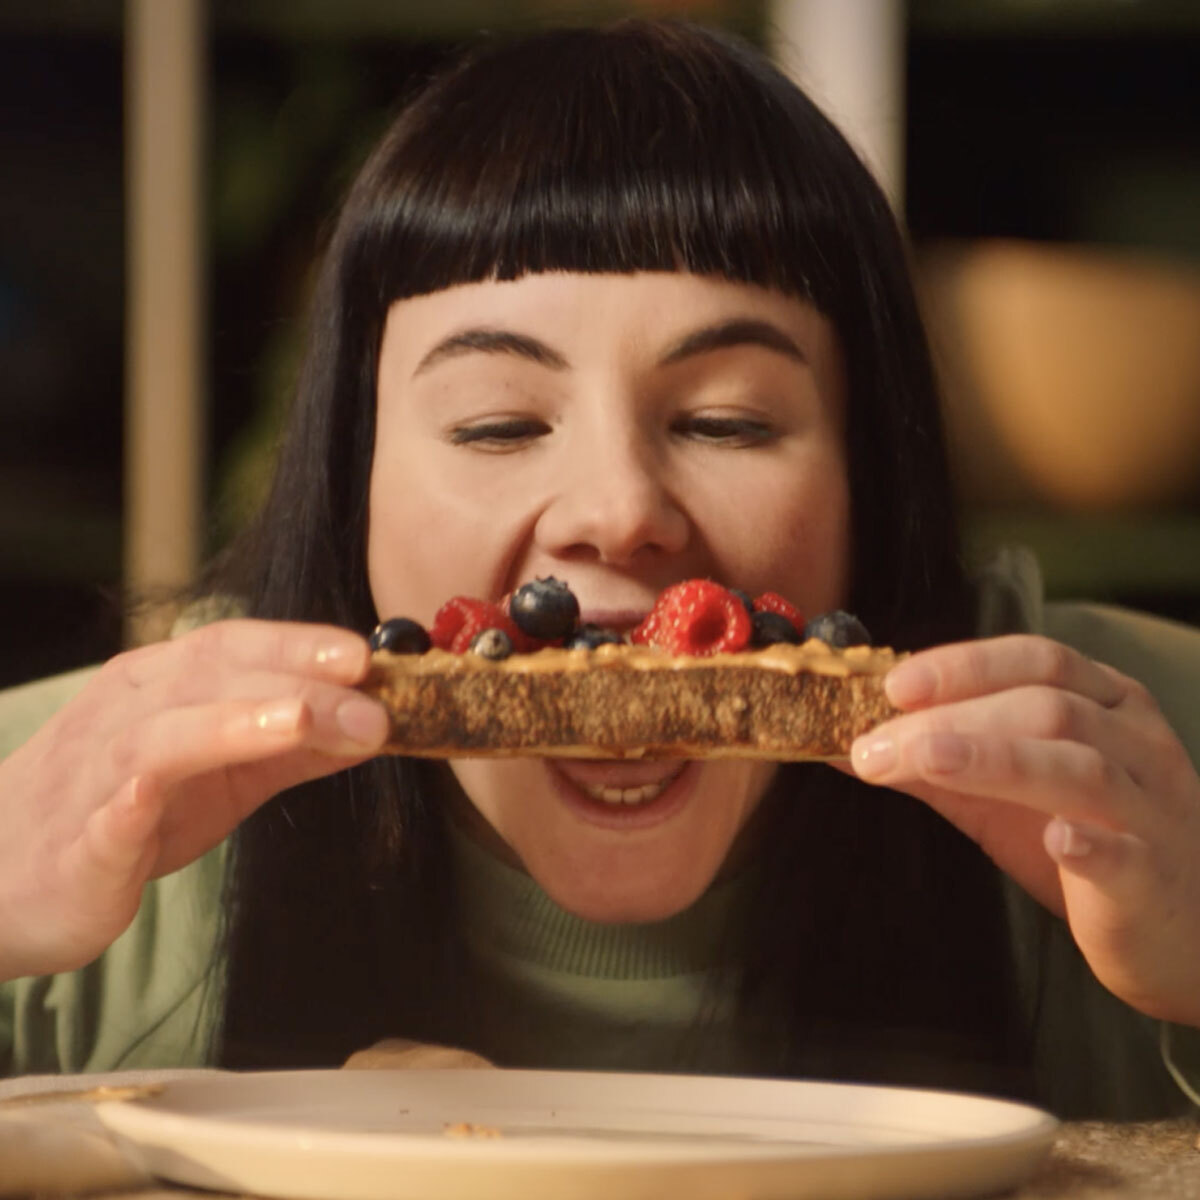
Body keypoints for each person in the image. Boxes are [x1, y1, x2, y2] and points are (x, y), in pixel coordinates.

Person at [2, 18, 1199, 1120]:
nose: (620, 512)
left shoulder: (1134, 765)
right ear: (350, 486)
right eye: (497, 426)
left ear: (871, 480)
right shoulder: (95, 800)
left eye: (728, 422)